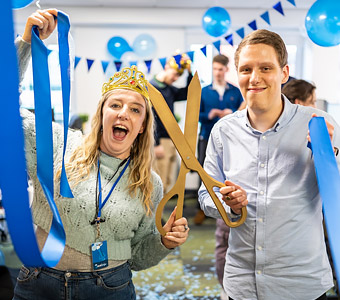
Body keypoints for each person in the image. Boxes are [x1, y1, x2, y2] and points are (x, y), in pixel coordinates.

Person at [13, 9, 189, 300]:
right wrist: (26, 44)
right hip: (38, 283)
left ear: (143, 125)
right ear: (102, 113)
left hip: (110, 288)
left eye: (135, 110)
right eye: (115, 105)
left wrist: (164, 242)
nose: (124, 113)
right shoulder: (59, 143)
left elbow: (139, 255)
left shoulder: (149, 183)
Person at [198, 29, 340, 300]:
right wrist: (226, 202)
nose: (254, 78)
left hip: (302, 284)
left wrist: (328, 155)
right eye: (246, 69)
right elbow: (206, 194)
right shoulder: (223, 131)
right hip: (242, 285)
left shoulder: (319, 124)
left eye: (265, 68)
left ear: (284, 73)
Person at [150, 56, 192, 193]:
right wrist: (155, 144)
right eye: (175, 75)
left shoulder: (169, 89)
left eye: (179, 76)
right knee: (159, 181)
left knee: (168, 181)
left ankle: (161, 213)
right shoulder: (152, 87)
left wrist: (189, 73)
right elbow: (150, 119)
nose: (176, 79)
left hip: (171, 139)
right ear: (167, 67)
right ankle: (154, 214)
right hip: (160, 141)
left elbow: (187, 93)